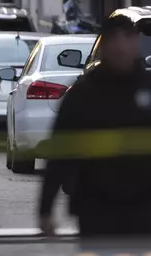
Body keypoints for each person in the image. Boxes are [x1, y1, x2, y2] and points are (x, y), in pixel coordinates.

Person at [38, 15, 151, 249]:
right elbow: (59, 151)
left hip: (144, 208)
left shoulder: (147, 88)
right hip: (96, 208)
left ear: (135, 42)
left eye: (126, 39)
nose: (120, 47)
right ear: (104, 46)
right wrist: (45, 208)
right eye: (114, 40)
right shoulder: (83, 93)